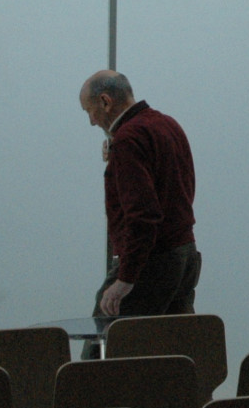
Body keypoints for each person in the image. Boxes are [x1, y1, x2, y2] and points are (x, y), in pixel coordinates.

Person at [80, 70, 200, 323]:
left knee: (109, 337)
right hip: (185, 255)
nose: (91, 121)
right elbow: (178, 187)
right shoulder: (167, 124)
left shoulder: (128, 139)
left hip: (152, 261)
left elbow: (143, 215)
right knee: (175, 342)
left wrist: (126, 278)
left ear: (105, 101)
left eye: (89, 111)